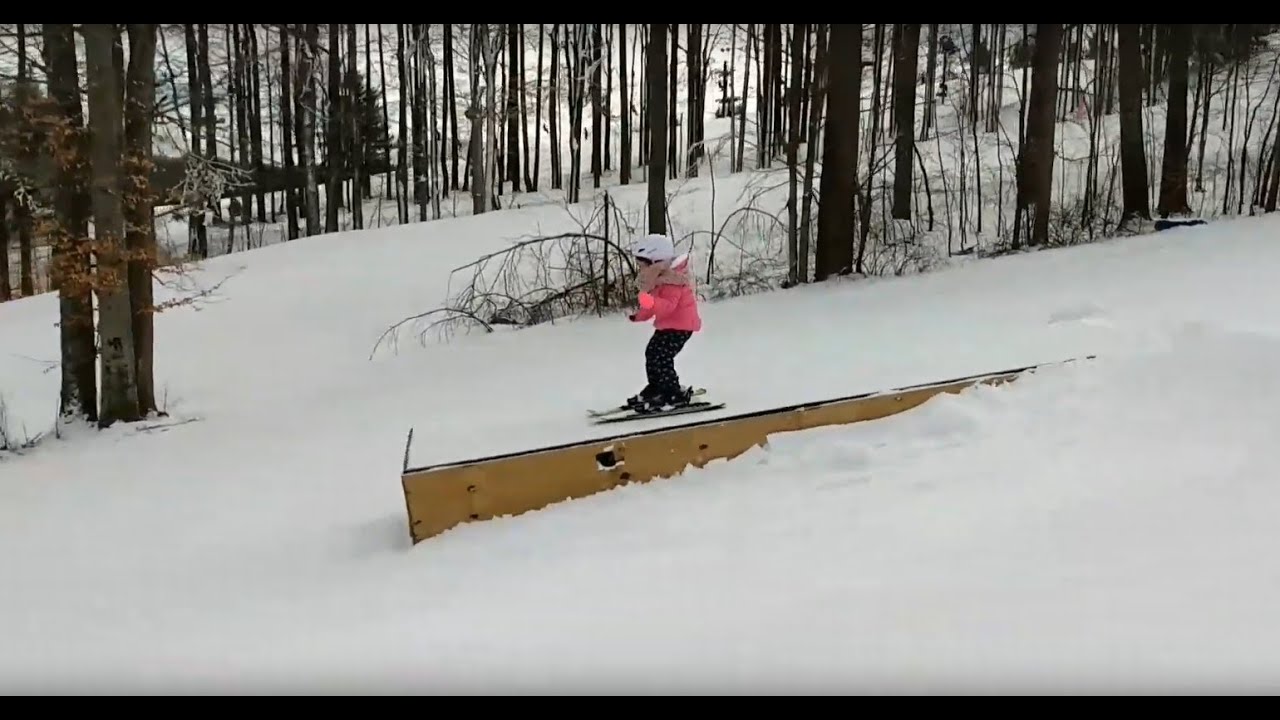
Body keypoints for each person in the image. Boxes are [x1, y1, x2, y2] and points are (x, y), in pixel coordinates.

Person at [625, 233, 703, 413]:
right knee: (652, 353)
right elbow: (652, 306)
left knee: (662, 357)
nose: (641, 269)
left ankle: (672, 392)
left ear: (655, 262)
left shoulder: (674, 280)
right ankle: (656, 387)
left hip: (681, 326)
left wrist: (648, 301)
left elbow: (667, 306)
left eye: (643, 265)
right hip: (668, 325)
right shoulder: (658, 279)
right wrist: (639, 315)